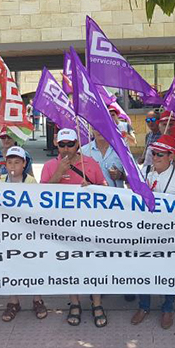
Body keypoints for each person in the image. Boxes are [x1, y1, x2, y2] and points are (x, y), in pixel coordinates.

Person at [40, 129, 108, 327]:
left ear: (77, 144)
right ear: (57, 145)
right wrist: (59, 172)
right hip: (63, 226)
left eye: (70, 144)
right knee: (70, 265)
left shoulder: (90, 163)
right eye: (62, 145)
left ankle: (96, 303)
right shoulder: (49, 166)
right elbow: (40, 195)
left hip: (89, 225)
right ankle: (75, 302)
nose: (66, 149)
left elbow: (105, 189)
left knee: (93, 264)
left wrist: (93, 187)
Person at [132, 135, 175, 330]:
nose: (155, 157)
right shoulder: (145, 172)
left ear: (171, 156)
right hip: (146, 234)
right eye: (153, 153)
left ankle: (168, 307)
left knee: (171, 271)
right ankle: (143, 306)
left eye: (160, 154)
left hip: (171, 235)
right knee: (144, 270)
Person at [0, 146, 48, 322]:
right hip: (6, 234)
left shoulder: (31, 182)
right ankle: (13, 301)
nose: (13, 165)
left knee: (32, 265)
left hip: (27, 234)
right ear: (5, 165)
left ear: (24, 164)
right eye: (9, 162)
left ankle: (37, 299)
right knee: (9, 266)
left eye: (17, 162)